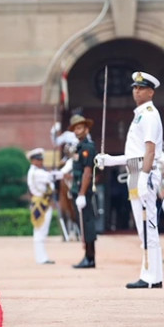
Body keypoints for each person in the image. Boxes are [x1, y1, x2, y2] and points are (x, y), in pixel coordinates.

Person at [96, 71, 164, 288]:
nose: (136, 91)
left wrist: (144, 177)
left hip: (145, 174)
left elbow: (150, 151)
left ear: (151, 92)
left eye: (141, 88)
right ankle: (148, 273)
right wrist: (110, 161)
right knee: (142, 228)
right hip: (135, 173)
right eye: (134, 88)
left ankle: (153, 277)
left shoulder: (150, 114)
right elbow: (134, 154)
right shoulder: (140, 115)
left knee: (149, 227)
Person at [68, 114, 97, 268]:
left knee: (87, 224)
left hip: (83, 191)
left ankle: (90, 258)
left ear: (86, 129)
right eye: (75, 129)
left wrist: (81, 194)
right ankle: (88, 256)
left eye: (80, 128)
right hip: (77, 189)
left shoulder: (88, 148)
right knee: (83, 225)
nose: (77, 131)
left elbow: (87, 172)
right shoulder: (78, 147)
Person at [26, 147, 63, 264]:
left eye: (41, 159)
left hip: (42, 203)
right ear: (33, 160)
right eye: (38, 160)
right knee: (40, 231)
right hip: (42, 204)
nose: (40, 162)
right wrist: (61, 170)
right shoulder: (37, 173)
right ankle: (41, 258)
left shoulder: (37, 171)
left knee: (41, 231)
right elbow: (53, 177)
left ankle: (42, 257)